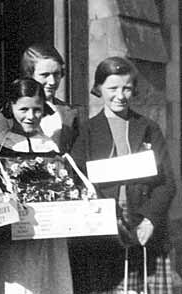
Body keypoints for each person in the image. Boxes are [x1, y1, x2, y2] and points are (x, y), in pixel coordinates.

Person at [69, 56, 175, 293]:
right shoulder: (87, 131)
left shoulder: (148, 128)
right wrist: (107, 218)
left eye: (126, 88)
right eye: (112, 88)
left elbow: (167, 183)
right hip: (106, 227)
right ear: (99, 89)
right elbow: (78, 180)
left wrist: (149, 220)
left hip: (145, 224)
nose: (120, 95)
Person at [0, 78, 73, 294]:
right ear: (11, 107)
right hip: (12, 238)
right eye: (23, 109)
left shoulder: (50, 147)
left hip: (49, 237)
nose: (30, 116)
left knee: (50, 283)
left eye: (37, 110)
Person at [0, 43, 79, 153]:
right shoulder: (9, 115)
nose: (52, 82)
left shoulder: (70, 113)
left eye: (56, 74)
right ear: (29, 75)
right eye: (45, 75)